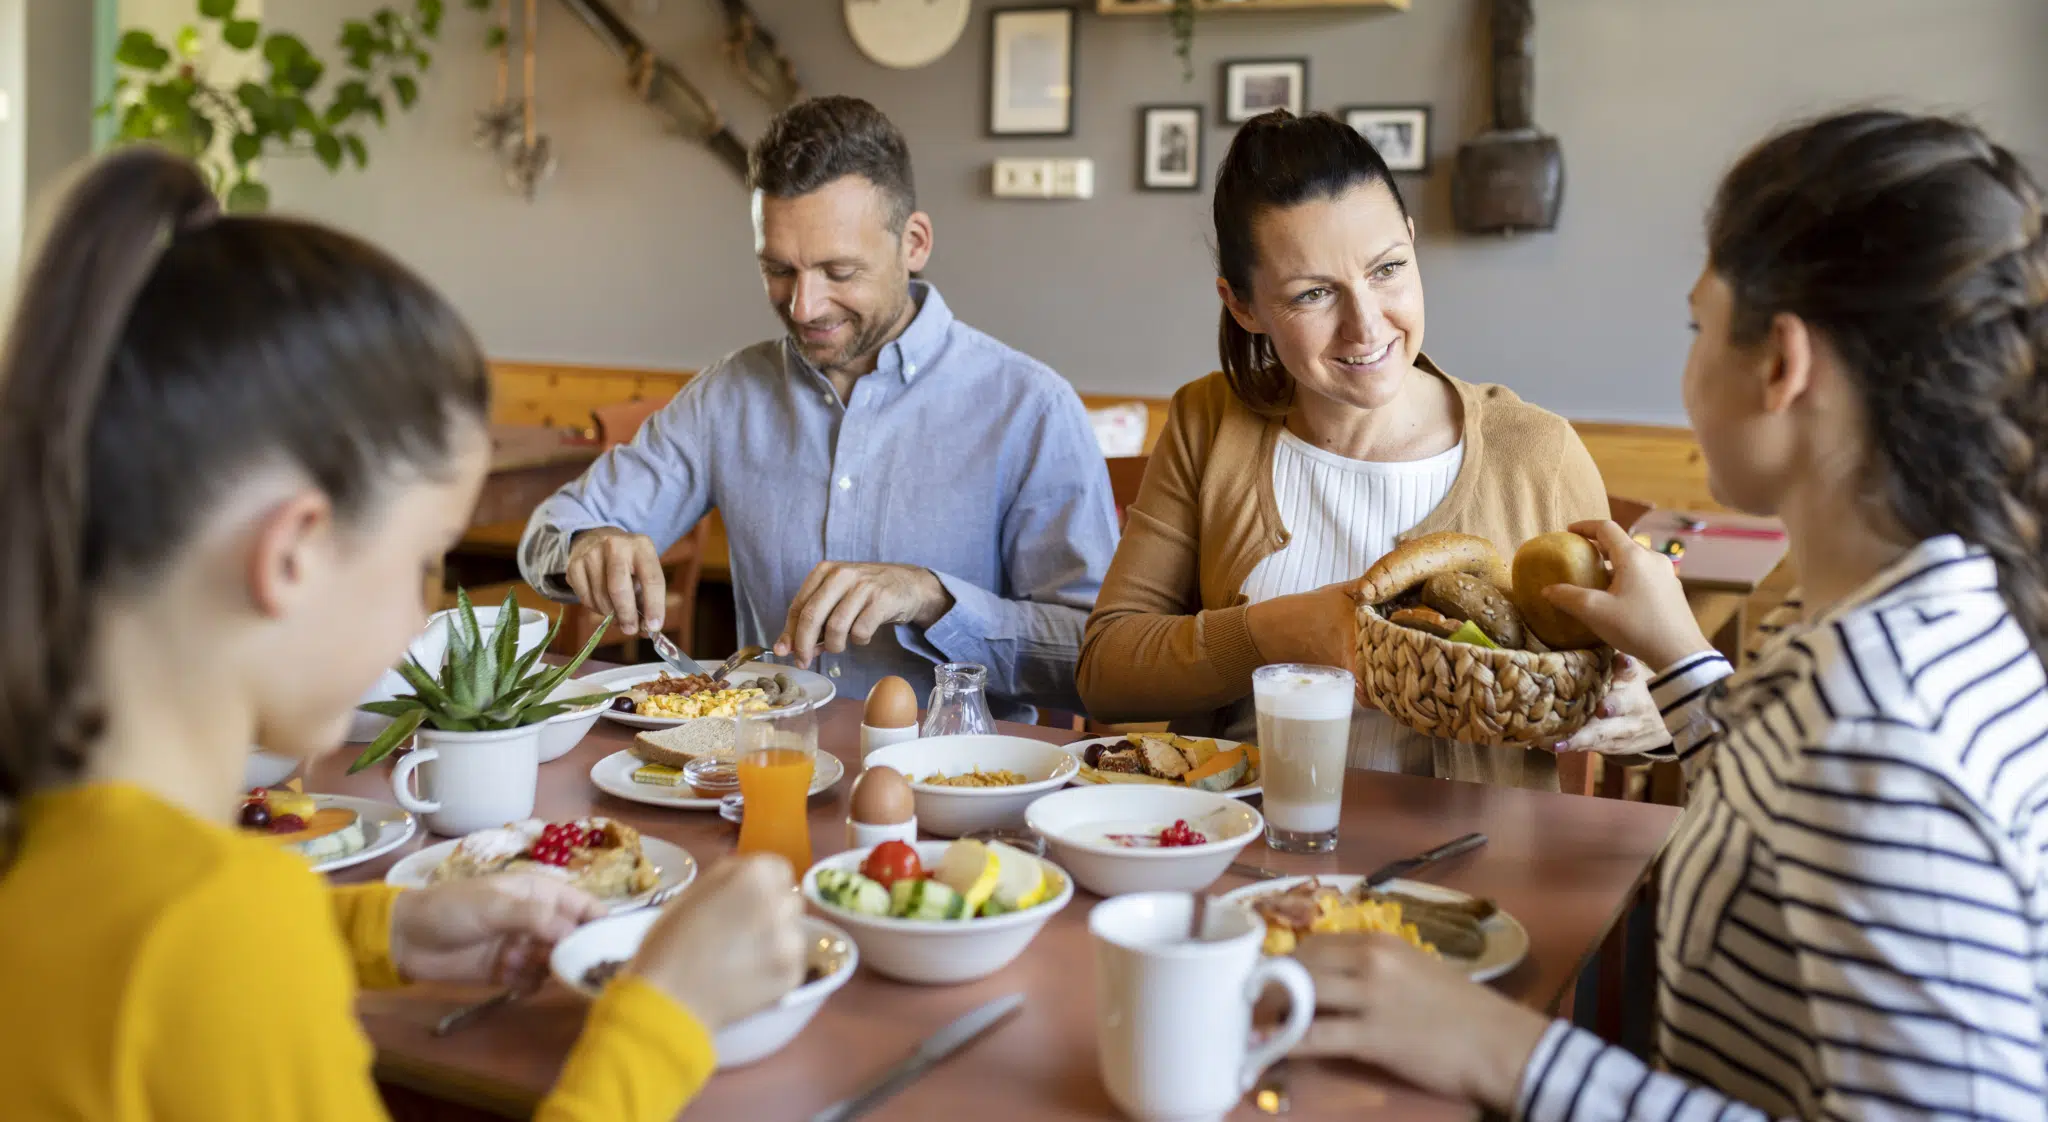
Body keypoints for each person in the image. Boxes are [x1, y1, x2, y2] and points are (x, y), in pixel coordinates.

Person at [0, 148, 806, 1119]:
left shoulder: (86, 862)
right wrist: (662, 1019)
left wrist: (386, 928)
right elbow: (210, 966)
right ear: (294, 550)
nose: (424, 613)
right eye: (424, 558)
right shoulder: (220, 929)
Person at [1287, 110, 2048, 1118]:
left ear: (1780, 364)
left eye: (1697, 327)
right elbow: (1784, 808)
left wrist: (1504, 1051)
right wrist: (1681, 660)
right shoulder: (1892, 635)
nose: (1684, 363)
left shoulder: (1879, 737)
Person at [1079, 110, 1648, 788]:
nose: (1366, 325)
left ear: (1412, 242)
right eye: (1313, 294)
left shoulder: (1535, 452)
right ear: (1243, 307)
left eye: (1387, 270)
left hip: (1474, 874)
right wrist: (1275, 632)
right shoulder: (1209, 422)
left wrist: (1648, 711)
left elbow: (1635, 698)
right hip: (1237, 849)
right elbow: (1105, 673)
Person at [520, 96, 1118, 718]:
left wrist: (933, 599)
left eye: (839, 270)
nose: (804, 306)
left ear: (913, 243)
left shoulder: (1030, 408)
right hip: (762, 777)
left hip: (952, 791)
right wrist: (587, 545)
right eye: (779, 269)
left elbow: (1101, 660)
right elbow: (550, 531)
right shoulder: (727, 396)